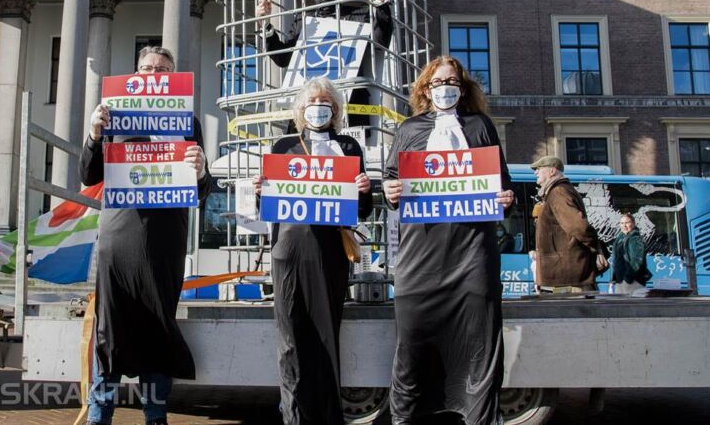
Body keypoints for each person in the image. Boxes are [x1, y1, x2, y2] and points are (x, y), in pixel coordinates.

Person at [80, 46, 211, 425]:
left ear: (171, 78)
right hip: (119, 237)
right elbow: (90, 176)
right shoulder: (113, 116)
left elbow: (202, 191)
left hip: (165, 241)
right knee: (110, 327)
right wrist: (94, 134)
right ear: (136, 75)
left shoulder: (187, 121)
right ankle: (99, 415)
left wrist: (201, 170)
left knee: (158, 325)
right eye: (147, 68)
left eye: (162, 70)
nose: (154, 74)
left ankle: (155, 416)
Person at [382, 56, 514, 425]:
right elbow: (390, 183)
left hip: (472, 254)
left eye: (452, 80)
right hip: (421, 257)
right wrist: (389, 190)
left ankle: (479, 417)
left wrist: (506, 198)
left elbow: (502, 185)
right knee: (411, 347)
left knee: (479, 344)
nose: (445, 87)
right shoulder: (408, 129)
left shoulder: (481, 126)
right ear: (426, 89)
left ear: (463, 86)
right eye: (438, 82)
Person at [253, 76, 372, 425]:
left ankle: (328, 415)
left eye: (325, 103)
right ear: (300, 110)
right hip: (287, 251)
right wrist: (261, 190)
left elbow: (361, 211)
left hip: (329, 254)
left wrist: (364, 190)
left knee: (325, 334)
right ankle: (294, 416)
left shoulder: (349, 148)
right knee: (290, 338)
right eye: (311, 103)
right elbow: (268, 206)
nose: (318, 108)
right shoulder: (283, 145)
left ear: (335, 110)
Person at [255, 0, 393, 127]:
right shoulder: (303, 19)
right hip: (309, 102)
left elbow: (380, 42)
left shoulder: (359, 13)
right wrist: (264, 25)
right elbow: (283, 58)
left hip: (348, 105)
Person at [530, 155, 600, 294]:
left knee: (568, 314)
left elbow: (578, 227)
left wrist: (596, 247)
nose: (535, 173)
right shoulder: (557, 191)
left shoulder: (558, 192)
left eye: (539, 169)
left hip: (565, 277)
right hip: (565, 275)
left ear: (552, 171)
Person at [610, 213, 650, 294]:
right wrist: (613, 279)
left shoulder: (635, 239)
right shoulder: (620, 239)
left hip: (631, 281)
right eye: (622, 223)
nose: (624, 226)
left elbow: (637, 260)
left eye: (627, 223)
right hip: (620, 280)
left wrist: (627, 279)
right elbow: (617, 260)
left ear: (633, 224)